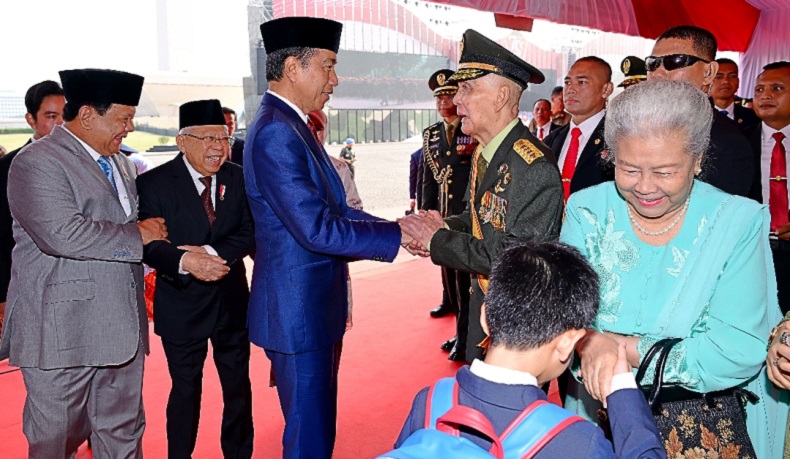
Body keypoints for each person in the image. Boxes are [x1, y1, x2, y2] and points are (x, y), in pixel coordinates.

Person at [561, 79, 789, 459]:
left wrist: (609, 345)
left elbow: (734, 351)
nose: (646, 188)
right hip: (598, 423)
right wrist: (584, 338)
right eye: (630, 169)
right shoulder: (586, 211)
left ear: (698, 159)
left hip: (705, 429)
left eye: (665, 171)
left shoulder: (736, 221)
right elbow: (563, 318)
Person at [244, 17, 406, 458]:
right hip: (297, 314)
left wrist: (402, 228)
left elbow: (337, 210)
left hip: (311, 308)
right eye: (328, 66)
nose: (335, 80)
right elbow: (316, 228)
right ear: (293, 68)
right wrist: (398, 236)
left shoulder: (293, 124)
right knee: (308, 438)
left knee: (316, 430)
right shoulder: (278, 131)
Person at [0, 68, 168, 458]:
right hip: (62, 331)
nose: (129, 127)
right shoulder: (36, 161)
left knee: (124, 435)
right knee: (54, 441)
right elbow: (63, 234)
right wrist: (139, 234)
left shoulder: (122, 163)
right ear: (89, 115)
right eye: (123, 117)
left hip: (122, 329)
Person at [393, 241, 665, 457]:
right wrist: (623, 394)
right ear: (567, 342)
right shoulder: (577, 442)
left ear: (485, 318)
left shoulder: (429, 401)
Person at [401, 29, 564, 364]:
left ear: (501, 96)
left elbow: (511, 256)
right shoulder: (486, 152)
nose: (455, 99)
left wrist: (437, 241)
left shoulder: (532, 166)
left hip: (515, 326)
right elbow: (480, 218)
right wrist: (442, 223)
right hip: (486, 308)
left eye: (466, 88)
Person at [137, 99, 255, 459]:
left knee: (237, 387)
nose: (218, 147)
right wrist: (186, 261)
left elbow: (250, 231)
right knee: (185, 390)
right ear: (182, 141)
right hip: (181, 303)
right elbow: (148, 244)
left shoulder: (239, 177)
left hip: (231, 302)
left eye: (223, 137)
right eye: (206, 138)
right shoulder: (152, 184)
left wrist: (210, 253)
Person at [646, 25, 754, 197]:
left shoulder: (726, 140)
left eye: (674, 61)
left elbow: (720, 214)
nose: (657, 73)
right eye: (652, 64)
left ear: (709, 72)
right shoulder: (640, 127)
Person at [420, 69, 477, 361]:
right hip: (442, 219)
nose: (443, 102)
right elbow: (428, 178)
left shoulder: (472, 131)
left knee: (466, 284)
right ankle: (459, 331)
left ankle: (467, 339)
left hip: (465, 220)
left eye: (448, 95)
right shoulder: (431, 134)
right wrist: (424, 211)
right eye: (438, 97)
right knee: (450, 280)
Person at [0, 80, 65, 337]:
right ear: (31, 119)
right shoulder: (7, 168)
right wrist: (3, 295)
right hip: (28, 291)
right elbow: (1, 238)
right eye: (51, 116)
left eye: (65, 115)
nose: (60, 124)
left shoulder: (90, 165)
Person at [746, 61, 790, 315]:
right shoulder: (738, 142)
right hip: (755, 257)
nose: (766, 95)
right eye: (760, 89)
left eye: (777, 88)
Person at [544, 56, 614, 201]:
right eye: (567, 82)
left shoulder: (618, 139)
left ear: (606, 89)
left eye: (581, 82)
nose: (570, 89)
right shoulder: (551, 141)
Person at [710, 58, 760, 129]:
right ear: (708, 82)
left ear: (738, 82)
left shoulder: (753, 117)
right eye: (719, 77)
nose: (726, 81)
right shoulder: (696, 116)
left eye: (732, 76)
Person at [408, 148, 423, 213]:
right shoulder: (415, 155)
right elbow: (413, 178)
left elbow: (412, 178)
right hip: (422, 195)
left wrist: (412, 199)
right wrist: (412, 199)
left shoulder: (416, 155)